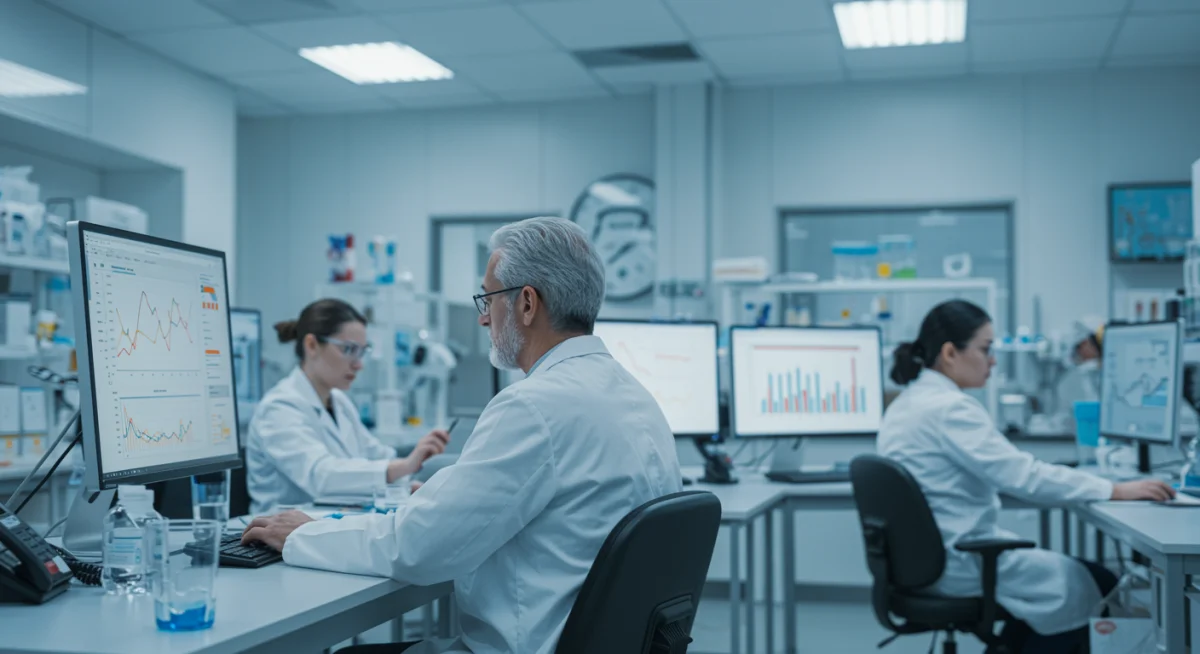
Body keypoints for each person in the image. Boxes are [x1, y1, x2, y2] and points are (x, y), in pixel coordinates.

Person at [242, 217, 682, 654]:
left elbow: (418, 550)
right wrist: (441, 497)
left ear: (527, 304)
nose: (483, 319)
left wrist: (303, 535)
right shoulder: (634, 395)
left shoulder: (534, 406)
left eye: (488, 300)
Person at [879, 300, 1174, 654]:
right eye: (986, 349)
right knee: (1098, 584)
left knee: (1067, 589)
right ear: (949, 353)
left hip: (930, 561)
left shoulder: (909, 402)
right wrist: (1114, 489)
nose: (993, 360)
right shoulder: (949, 408)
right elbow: (1022, 476)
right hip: (960, 561)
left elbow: (1013, 473)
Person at [246, 299, 450, 513]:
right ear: (312, 345)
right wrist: (403, 466)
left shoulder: (339, 402)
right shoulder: (279, 408)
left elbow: (376, 455)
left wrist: (405, 486)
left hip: (326, 526)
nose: (358, 364)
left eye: (362, 351)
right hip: (276, 534)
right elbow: (321, 476)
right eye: (348, 349)